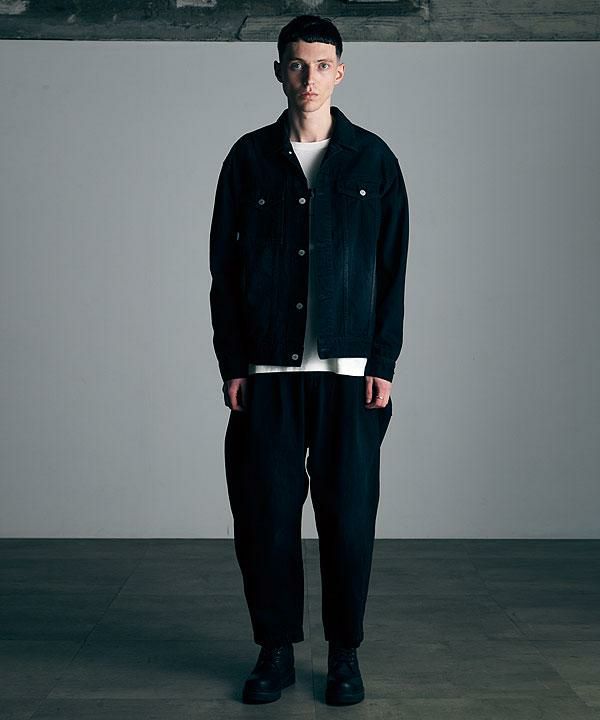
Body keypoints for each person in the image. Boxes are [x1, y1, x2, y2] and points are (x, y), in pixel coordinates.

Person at [208, 14, 409, 706]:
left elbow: (393, 269)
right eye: (297, 64)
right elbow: (224, 272)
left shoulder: (373, 160)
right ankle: (275, 651)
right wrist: (233, 362)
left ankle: (344, 653)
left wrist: (383, 360)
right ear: (279, 72)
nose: (310, 77)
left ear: (340, 72)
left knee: (349, 520)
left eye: (322, 65)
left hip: (349, 376)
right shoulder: (248, 159)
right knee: (264, 516)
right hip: (267, 372)